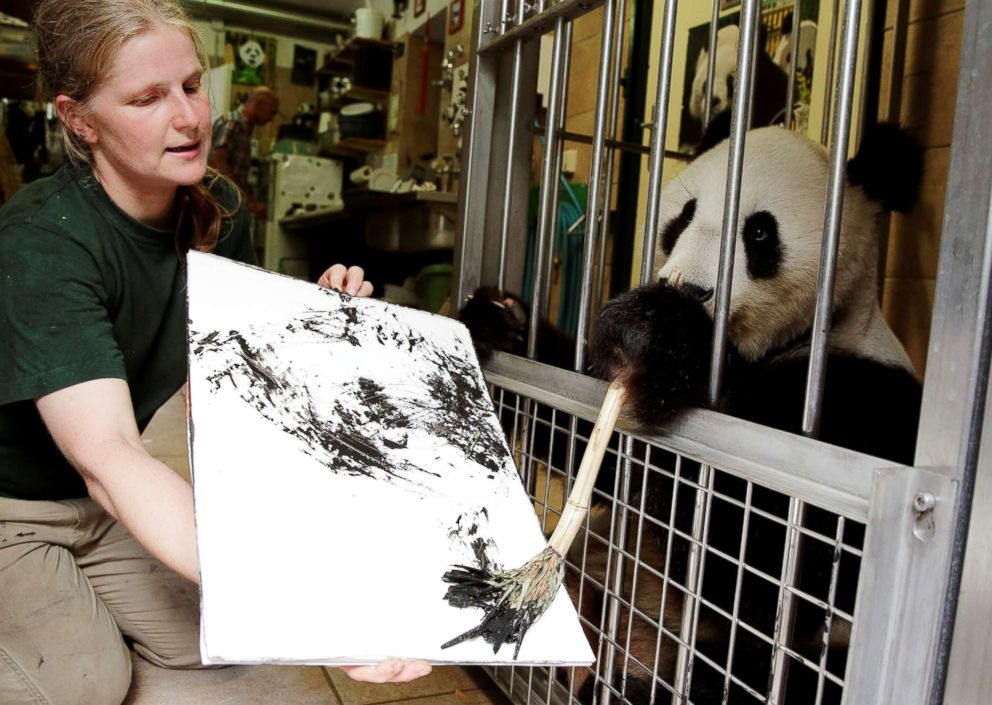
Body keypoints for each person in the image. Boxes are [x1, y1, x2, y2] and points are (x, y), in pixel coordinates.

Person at [0, 2, 429, 704]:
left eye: (191, 87)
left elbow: (238, 382)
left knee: (231, 635)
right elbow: (109, 456)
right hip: (13, 505)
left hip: (94, 507)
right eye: (147, 98)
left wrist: (315, 326)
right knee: (86, 681)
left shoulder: (213, 206)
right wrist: (310, 605)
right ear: (79, 119)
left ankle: (75, 598)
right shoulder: (44, 241)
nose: (189, 117)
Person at [209, 85, 280, 218]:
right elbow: (217, 163)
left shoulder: (244, 128)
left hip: (225, 204)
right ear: (258, 104)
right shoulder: (234, 121)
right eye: (272, 113)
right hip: (218, 205)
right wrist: (250, 202)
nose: (272, 120)